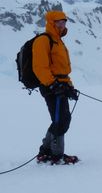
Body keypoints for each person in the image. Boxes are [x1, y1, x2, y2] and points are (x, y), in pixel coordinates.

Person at [33, 11, 79, 165]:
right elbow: (40, 67)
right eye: (59, 22)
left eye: (64, 22)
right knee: (61, 120)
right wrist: (52, 84)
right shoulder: (43, 40)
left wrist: (70, 87)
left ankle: (46, 151)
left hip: (61, 85)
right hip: (51, 86)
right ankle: (56, 154)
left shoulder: (58, 41)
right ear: (51, 22)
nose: (62, 25)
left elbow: (63, 70)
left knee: (61, 119)